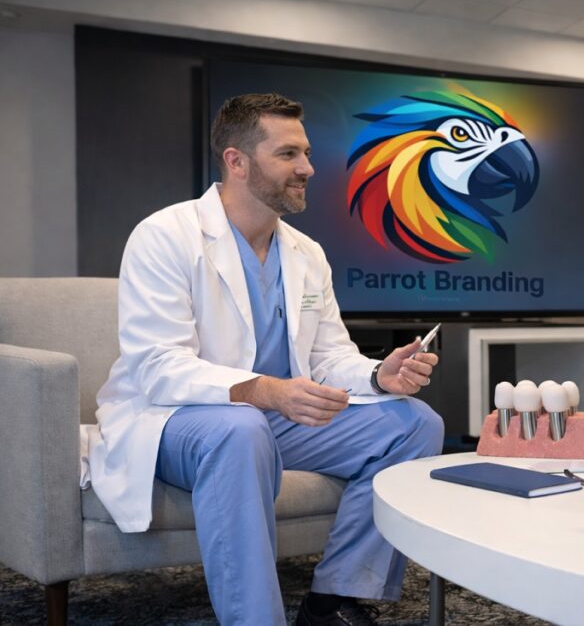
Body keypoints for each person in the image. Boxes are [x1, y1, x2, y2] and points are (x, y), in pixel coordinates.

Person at [89, 93, 444, 626]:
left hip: (277, 416)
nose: (308, 168)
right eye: (288, 155)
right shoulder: (165, 235)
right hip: (178, 421)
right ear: (236, 161)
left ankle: (334, 600)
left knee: (414, 423)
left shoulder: (306, 252)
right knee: (240, 430)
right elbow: (157, 367)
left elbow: (328, 357)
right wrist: (264, 391)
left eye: (305, 153)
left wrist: (377, 373)